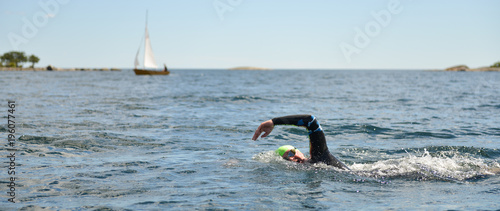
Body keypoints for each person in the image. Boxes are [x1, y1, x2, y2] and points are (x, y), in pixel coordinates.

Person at [252, 114, 349, 170]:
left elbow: (310, 121)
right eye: (287, 158)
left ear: (299, 151)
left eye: (291, 153)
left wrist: (274, 122)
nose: (293, 158)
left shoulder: (320, 155)